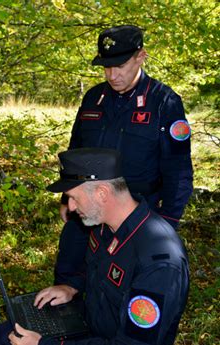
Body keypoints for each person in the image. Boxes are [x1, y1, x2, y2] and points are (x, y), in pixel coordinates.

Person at [0, 148, 189, 345]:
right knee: (8, 335)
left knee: (23, 344)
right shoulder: (104, 225)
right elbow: (97, 270)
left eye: (74, 198)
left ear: (102, 193)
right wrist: (71, 287)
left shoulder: (159, 263)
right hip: (92, 327)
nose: (69, 206)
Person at [55, 24, 193, 305]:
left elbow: (178, 171)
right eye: (106, 67)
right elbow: (75, 152)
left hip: (137, 215)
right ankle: (61, 336)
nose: (112, 75)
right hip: (87, 209)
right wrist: (66, 198)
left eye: (120, 65)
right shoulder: (94, 98)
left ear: (140, 56)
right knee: (69, 277)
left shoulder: (164, 102)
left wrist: (167, 224)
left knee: (117, 291)